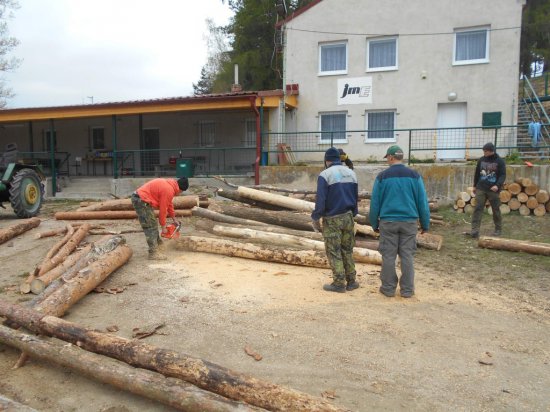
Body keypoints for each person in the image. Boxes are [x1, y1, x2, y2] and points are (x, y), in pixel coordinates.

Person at [369, 145, 430, 298]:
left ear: (390, 157)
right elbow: (422, 201)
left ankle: (388, 289)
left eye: (387, 158)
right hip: (409, 222)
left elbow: (375, 202)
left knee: (389, 256)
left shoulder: (382, 177)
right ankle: (407, 290)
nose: (387, 161)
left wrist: (374, 224)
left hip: (388, 222)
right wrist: (425, 223)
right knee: (407, 256)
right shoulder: (415, 176)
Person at [311, 147, 359, 293]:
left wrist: (316, 216)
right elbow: (355, 197)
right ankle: (351, 281)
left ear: (327, 160)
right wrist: (354, 214)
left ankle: (339, 283)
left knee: (334, 251)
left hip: (332, 218)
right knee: (347, 249)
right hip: (348, 216)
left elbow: (321, 199)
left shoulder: (325, 175)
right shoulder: (351, 173)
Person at [131, 177, 189, 260]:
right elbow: (163, 210)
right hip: (141, 200)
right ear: (180, 189)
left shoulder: (170, 185)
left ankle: (159, 246)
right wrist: (163, 226)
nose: (180, 193)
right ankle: (153, 253)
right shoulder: (169, 190)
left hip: (142, 199)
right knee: (150, 226)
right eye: (181, 192)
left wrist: (174, 219)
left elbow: (169, 204)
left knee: (152, 224)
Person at [468, 142, 506, 238]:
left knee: (495, 209)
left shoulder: (500, 161)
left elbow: (502, 175)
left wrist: (497, 185)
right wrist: (475, 185)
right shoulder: (481, 160)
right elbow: (477, 173)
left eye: (485, 151)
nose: (484, 153)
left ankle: (498, 229)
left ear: (491, 151)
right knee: (478, 208)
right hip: (481, 188)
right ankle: (474, 230)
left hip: (493, 190)